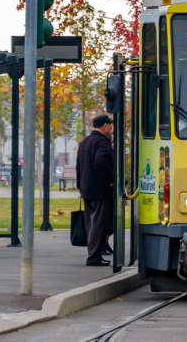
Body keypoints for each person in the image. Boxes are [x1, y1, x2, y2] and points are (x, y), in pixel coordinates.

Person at [76, 113, 115, 266]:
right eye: (110, 126)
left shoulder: (84, 142)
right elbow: (101, 163)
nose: (111, 129)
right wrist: (111, 180)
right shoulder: (101, 143)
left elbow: (78, 166)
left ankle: (93, 254)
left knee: (90, 224)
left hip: (87, 189)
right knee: (98, 224)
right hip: (100, 189)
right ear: (104, 126)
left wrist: (80, 186)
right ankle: (93, 257)